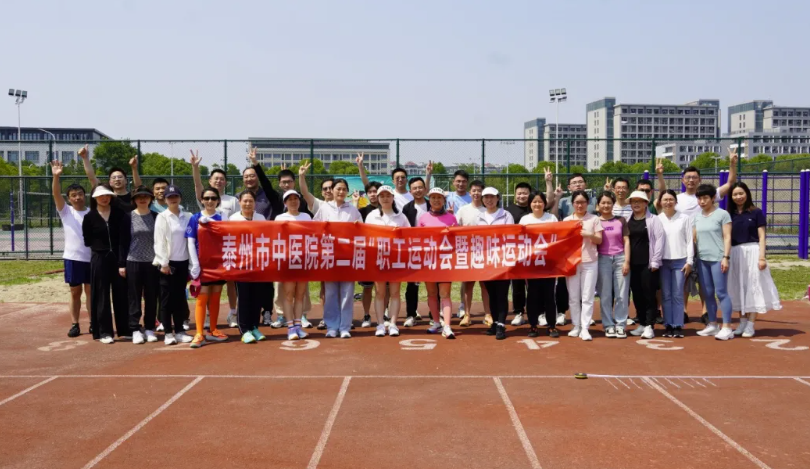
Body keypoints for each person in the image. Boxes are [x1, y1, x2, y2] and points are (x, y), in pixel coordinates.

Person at [655, 151, 738, 324]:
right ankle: (683, 311)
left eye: (694, 177)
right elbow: (663, 193)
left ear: (699, 179)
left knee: (705, 282)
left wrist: (732, 164)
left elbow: (730, 183)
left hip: (707, 245)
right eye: (688, 177)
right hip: (686, 245)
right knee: (683, 279)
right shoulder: (677, 199)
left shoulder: (707, 194)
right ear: (682, 180)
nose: (691, 180)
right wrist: (660, 175)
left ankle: (706, 312)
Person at [191, 151, 239, 328]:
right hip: (206, 252)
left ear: (226, 182)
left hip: (225, 249)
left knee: (230, 283)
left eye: (222, 179)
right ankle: (207, 316)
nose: (219, 181)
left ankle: (233, 313)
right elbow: (197, 184)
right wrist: (195, 167)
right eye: (215, 178)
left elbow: (236, 223)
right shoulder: (205, 198)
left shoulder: (232, 201)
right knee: (208, 286)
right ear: (210, 181)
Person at [727, 182, 781, 337]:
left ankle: (751, 324)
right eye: (735, 194)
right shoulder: (729, 214)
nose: (738, 197)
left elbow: (762, 237)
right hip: (735, 253)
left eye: (741, 193)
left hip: (753, 251)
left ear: (747, 194)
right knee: (738, 287)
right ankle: (742, 322)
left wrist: (762, 257)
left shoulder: (756, 212)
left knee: (753, 286)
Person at [314, 178, 363, 338]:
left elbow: (361, 230)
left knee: (347, 293)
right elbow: (315, 228)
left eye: (343, 189)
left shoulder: (353, 210)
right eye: (338, 189)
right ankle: (332, 326)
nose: (341, 192)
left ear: (347, 192)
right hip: (329, 256)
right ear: (332, 190)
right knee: (330, 292)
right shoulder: (324, 208)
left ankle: (345, 327)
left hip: (347, 257)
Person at [82, 184, 128, 344]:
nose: (104, 198)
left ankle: (125, 329)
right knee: (101, 295)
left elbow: (124, 239)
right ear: (94, 198)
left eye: (107, 195)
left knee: (121, 293)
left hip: (118, 258)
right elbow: (87, 240)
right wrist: (101, 248)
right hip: (99, 259)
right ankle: (104, 331)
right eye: (100, 195)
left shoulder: (119, 214)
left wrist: (122, 261)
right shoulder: (89, 217)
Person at [50, 160, 91, 338]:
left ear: (84, 195)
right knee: (75, 292)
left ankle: (93, 323)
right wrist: (56, 176)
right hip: (73, 258)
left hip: (91, 258)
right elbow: (55, 193)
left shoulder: (92, 212)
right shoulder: (66, 211)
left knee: (91, 292)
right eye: (73, 195)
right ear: (69, 198)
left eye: (80, 194)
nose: (77, 197)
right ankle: (75, 324)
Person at [186, 186, 230, 348]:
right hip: (202, 264)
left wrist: (211, 223)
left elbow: (227, 237)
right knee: (202, 296)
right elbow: (190, 241)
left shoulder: (222, 217)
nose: (210, 201)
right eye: (207, 198)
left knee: (216, 295)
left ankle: (213, 329)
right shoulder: (195, 218)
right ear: (202, 200)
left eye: (213, 198)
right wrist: (195, 264)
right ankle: (199, 333)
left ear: (218, 200)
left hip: (218, 263)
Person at [364, 185, 410, 337]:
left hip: (396, 260)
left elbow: (409, 236)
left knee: (395, 293)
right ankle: (380, 324)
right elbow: (366, 237)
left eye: (388, 195)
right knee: (380, 292)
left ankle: (393, 324)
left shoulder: (401, 217)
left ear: (393, 198)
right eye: (382, 196)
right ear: (377, 198)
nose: (385, 198)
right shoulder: (371, 216)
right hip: (378, 259)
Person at [153, 184, 194, 345]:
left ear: (180, 198)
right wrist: (164, 263)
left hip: (183, 263)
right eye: (170, 197)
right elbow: (159, 242)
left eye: (175, 196)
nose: (173, 199)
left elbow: (192, 240)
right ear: (165, 200)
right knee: (166, 300)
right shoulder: (162, 217)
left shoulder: (188, 216)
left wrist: (192, 264)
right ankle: (168, 333)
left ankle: (180, 331)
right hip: (167, 264)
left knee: (179, 299)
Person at [228, 190, 271, 343]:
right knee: (244, 297)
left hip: (257, 264)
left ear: (255, 203)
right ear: (239, 202)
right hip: (241, 265)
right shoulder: (233, 219)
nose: (248, 204)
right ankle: (244, 329)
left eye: (250, 201)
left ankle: (254, 327)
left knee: (257, 297)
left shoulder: (261, 218)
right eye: (245, 201)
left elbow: (266, 237)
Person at [298, 162, 338, 329]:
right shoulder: (319, 205)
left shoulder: (346, 206)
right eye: (325, 189)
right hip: (325, 251)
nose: (328, 190)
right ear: (322, 192)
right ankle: (326, 317)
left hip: (343, 252)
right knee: (325, 286)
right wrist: (301, 176)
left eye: (331, 188)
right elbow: (305, 192)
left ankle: (343, 317)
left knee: (343, 286)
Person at [119, 186, 160, 344]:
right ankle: (135, 329)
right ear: (134, 200)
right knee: (134, 297)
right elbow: (122, 242)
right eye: (139, 197)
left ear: (151, 199)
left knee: (151, 296)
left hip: (152, 263)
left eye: (146, 196)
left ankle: (149, 328)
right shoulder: (128, 217)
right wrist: (122, 264)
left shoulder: (156, 217)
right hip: (133, 261)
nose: (142, 199)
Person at [553, 173, 595, 327]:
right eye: (574, 182)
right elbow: (554, 218)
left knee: (587, 289)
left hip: (588, 251)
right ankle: (562, 313)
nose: (578, 184)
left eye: (580, 182)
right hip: (569, 253)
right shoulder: (563, 202)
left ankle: (585, 318)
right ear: (569, 187)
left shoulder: (593, 202)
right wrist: (557, 198)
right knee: (566, 287)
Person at [693, 184, 734, 340]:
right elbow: (694, 238)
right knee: (708, 293)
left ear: (713, 198)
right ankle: (713, 325)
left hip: (718, 259)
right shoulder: (697, 217)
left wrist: (726, 257)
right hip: (702, 260)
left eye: (705, 198)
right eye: (699, 198)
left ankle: (727, 327)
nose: (702, 201)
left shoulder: (722, 214)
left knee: (721, 292)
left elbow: (727, 237)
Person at [417, 187, 459, 339]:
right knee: (432, 293)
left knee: (445, 294)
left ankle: (447, 325)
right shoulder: (423, 218)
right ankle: (436, 322)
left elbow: (457, 239)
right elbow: (417, 239)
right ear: (429, 200)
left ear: (443, 200)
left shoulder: (451, 218)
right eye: (433, 197)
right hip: (429, 261)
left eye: (439, 197)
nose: (436, 200)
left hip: (445, 261)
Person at [474, 187, 515, 340]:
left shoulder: (506, 215)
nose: (489, 200)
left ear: (498, 198)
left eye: (492, 197)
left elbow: (511, 235)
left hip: (503, 260)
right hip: (486, 261)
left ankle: (501, 325)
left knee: (502, 293)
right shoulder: (479, 217)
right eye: (486, 197)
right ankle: (495, 322)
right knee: (491, 293)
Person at [624, 191, 665, 339]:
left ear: (646, 203)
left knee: (649, 294)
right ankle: (641, 322)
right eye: (633, 201)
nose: (636, 204)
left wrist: (655, 261)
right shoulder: (627, 220)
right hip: (632, 264)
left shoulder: (654, 220)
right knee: (637, 294)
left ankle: (649, 325)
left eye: (639, 201)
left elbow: (659, 240)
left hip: (648, 264)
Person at [563, 191, 602, 341]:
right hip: (572, 262)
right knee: (573, 296)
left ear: (588, 203)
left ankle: (585, 327)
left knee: (587, 296)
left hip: (590, 261)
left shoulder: (594, 219)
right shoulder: (567, 220)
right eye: (577, 202)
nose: (580, 205)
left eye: (583, 202)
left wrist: (588, 234)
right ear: (572, 203)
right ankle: (576, 325)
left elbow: (599, 240)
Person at [275, 190, 313, 340]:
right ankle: (290, 327)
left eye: (295, 198)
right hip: (287, 261)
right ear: (285, 203)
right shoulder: (279, 218)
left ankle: (298, 325)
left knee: (300, 295)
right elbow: (276, 238)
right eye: (289, 199)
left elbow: (312, 236)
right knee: (288, 294)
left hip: (303, 261)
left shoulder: (306, 217)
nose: (293, 201)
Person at [520, 190, 559, 337]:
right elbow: (519, 240)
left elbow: (559, 237)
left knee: (549, 295)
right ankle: (533, 325)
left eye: (540, 201)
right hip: (531, 264)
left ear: (545, 203)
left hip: (549, 263)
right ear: (530, 204)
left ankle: (552, 325)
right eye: (534, 201)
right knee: (532, 295)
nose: (537, 204)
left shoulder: (551, 218)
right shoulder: (525, 219)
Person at [657, 190, 693, 338]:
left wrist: (689, 261)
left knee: (677, 294)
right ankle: (668, 325)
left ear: (676, 202)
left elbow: (690, 240)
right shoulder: (657, 219)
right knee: (665, 294)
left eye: (671, 199)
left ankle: (677, 325)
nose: (668, 202)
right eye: (665, 200)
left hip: (680, 261)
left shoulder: (684, 218)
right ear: (660, 202)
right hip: (663, 262)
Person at [455, 180, 491, 327]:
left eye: (479, 191)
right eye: (474, 190)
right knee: (468, 285)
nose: (476, 193)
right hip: (468, 252)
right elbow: (455, 229)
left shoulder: (488, 210)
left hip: (485, 253)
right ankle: (467, 314)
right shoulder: (463, 210)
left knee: (485, 285)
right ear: (470, 193)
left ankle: (488, 314)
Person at [595, 191, 630, 339]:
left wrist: (627, 261)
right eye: (603, 203)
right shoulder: (595, 221)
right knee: (605, 295)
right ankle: (608, 325)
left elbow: (626, 241)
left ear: (613, 204)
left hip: (620, 258)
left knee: (622, 294)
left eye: (609, 202)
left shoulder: (621, 220)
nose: (606, 205)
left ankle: (621, 325)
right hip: (602, 259)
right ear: (598, 205)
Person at [401, 176, 430, 327]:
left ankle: (435, 314)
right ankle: (411, 314)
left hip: (432, 250)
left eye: (420, 187)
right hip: (413, 250)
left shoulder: (433, 205)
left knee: (434, 283)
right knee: (412, 285)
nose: (418, 190)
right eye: (414, 188)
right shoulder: (407, 208)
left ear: (425, 189)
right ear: (410, 191)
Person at [79, 144, 141, 210]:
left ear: (126, 181)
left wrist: (134, 168)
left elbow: (139, 186)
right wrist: (85, 158)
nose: (117, 179)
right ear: (110, 182)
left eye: (120, 177)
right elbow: (92, 178)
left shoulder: (133, 196)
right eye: (113, 178)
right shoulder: (107, 197)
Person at [506, 182, 532, 327]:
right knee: (517, 285)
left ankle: (537, 312)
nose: (522, 196)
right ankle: (518, 312)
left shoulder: (535, 207)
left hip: (533, 253)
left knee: (534, 285)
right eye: (519, 193)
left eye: (525, 193)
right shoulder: (508, 211)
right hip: (515, 254)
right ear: (515, 195)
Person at [358, 181, 382, 328]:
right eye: (370, 192)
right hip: (367, 255)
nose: (373, 194)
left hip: (384, 255)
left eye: (375, 191)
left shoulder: (389, 210)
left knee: (384, 288)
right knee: (367, 288)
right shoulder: (361, 212)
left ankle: (383, 314)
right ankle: (366, 315)